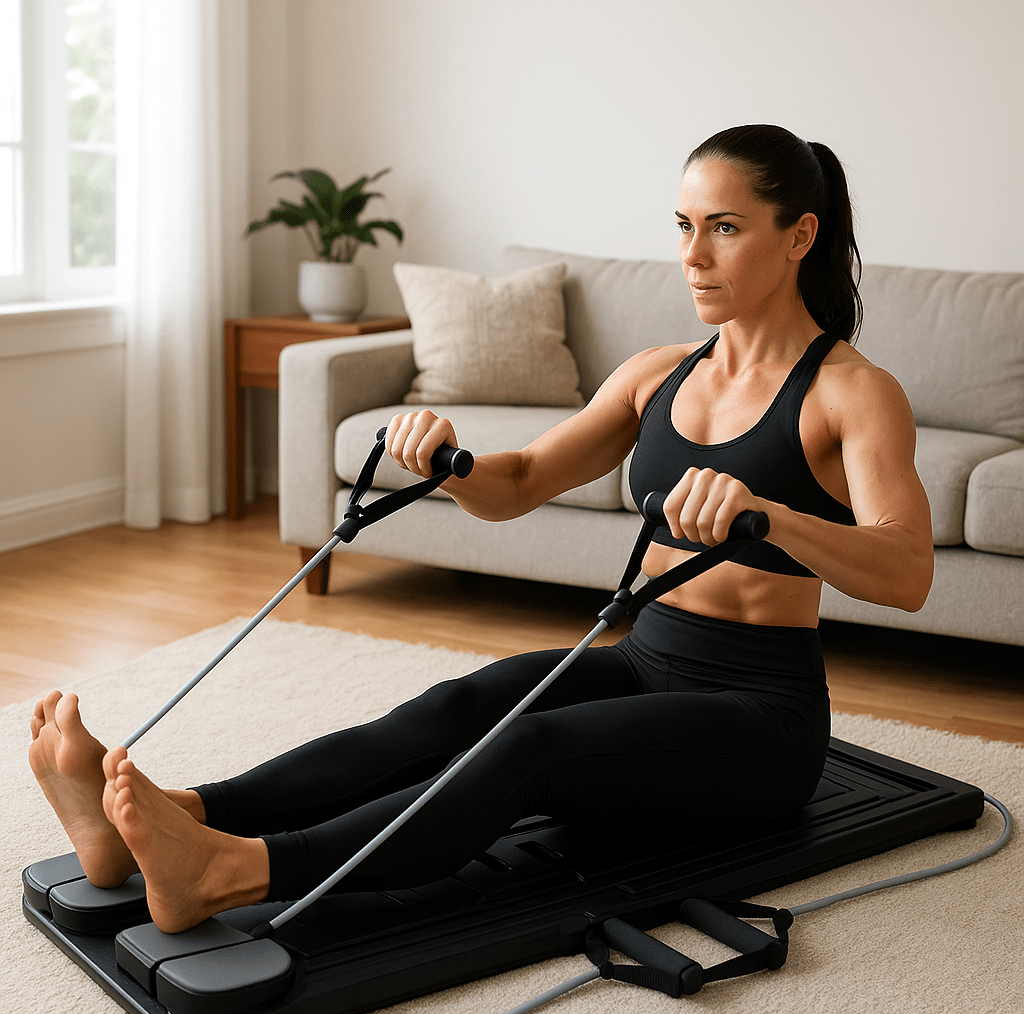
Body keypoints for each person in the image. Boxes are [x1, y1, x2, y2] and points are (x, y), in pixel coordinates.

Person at [29, 125, 933, 934]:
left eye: (725, 228)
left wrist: (772, 516)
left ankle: (235, 873)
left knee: (533, 749)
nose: (694, 256)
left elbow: (907, 570)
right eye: (684, 227)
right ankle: (176, 818)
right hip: (642, 663)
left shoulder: (851, 392)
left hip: (759, 720)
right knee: (462, 705)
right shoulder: (660, 371)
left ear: (799, 236)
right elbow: (525, 481)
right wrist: (450, 466)